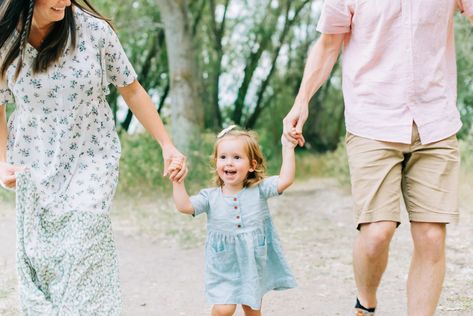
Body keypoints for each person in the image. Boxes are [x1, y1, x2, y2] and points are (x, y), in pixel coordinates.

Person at [283, 1, 473, 315]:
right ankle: (366, 302)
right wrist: (302, 100)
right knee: (376, 233)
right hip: (372, 121)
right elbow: (329, 42)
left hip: (435, 120)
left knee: (431, 236)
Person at [0, 0, 187, 314]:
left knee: (82, 244)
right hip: (35, 163)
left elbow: (132, 90)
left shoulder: (94, 32)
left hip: (91, 156)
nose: (67, 1)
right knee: (44, 259)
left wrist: (166, 145)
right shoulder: (6, 41)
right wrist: (2, 161)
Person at [171, 125, 297, 316]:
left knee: (252, 309)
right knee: (224, 309)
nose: (229, 163)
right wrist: (177, 182)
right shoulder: (210, 197)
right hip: (224, 264)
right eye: (223, 157)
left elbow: (285, 179)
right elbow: (184, 206)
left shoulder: (259, 190)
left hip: (252, 262)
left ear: (252, 165)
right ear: (216, 163)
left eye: (237, 157)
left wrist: (288, 148)